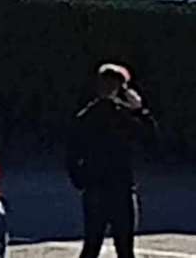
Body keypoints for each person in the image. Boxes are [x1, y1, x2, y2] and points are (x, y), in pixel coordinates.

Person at [66, 62, 158, 258]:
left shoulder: (86, 116)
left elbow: (72, 153)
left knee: (91, 246)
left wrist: (81, 180)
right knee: (125, 249)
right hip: (121, 187)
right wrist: (140, 109)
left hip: (95, 188)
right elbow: (150, 137)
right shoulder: (123, 116)